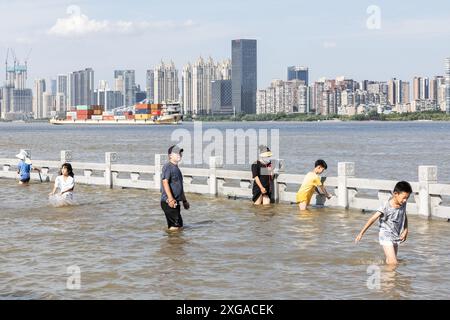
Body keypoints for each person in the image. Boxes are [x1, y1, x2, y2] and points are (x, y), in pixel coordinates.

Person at [355, 181, 412, 266]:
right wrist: (361, 233)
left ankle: (386, 278)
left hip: (395, 234)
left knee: (390, 261)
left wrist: (406, 230)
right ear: (395, 194)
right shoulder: (386, 206)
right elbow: (372, 219)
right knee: (393, 262)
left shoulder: (403, 203)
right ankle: (392, 278)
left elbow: (404, 214)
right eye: (404, 197)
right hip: (385, 235)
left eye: (407, 198)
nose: (405, 200)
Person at [160, 145, 190, 231]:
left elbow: (180, 187)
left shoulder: (177, 169)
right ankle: (173, 243)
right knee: (176, 227)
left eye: (180, 152)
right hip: (168, 201)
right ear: (170, 156)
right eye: (176, 153)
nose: (179, 154)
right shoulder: (168, 166)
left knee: (178, 226)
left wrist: (184, 201)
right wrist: (170, 199)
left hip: (176, 202)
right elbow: (165, 181)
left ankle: (173, 243)